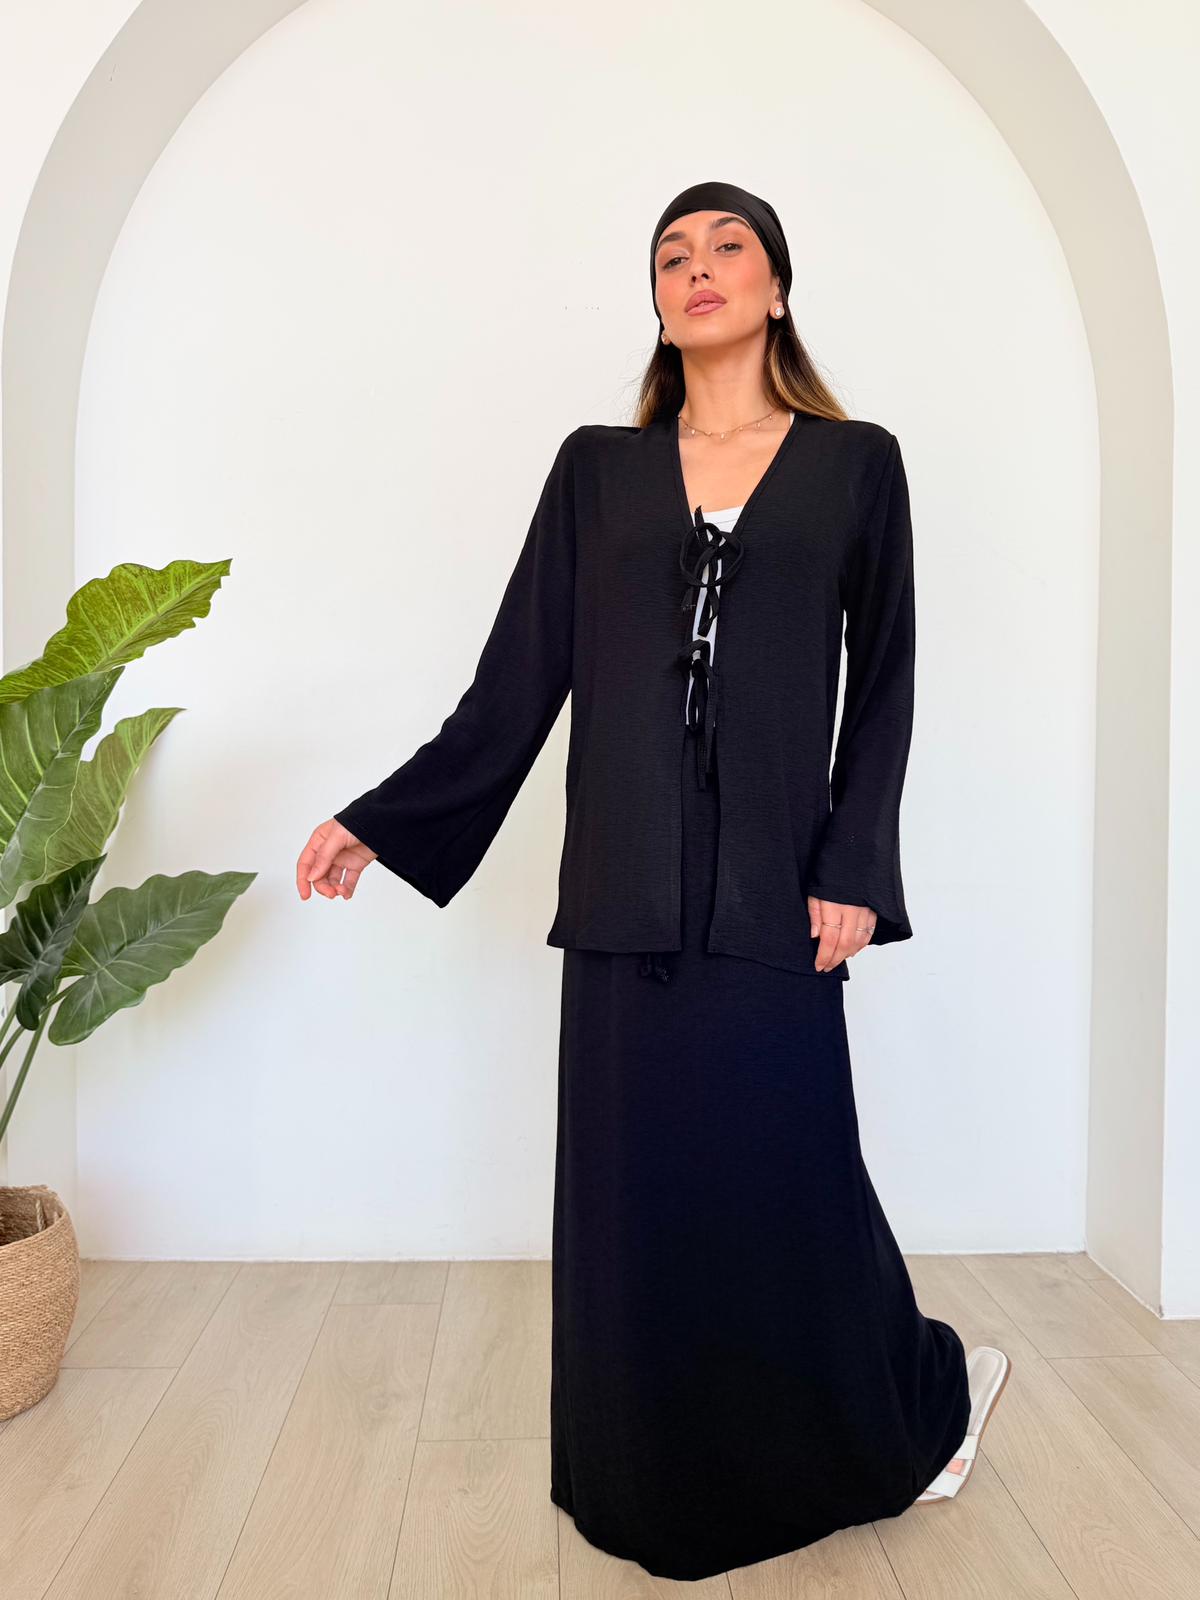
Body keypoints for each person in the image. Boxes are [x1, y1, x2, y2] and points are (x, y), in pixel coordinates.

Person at [296, 180, 1011, 1583]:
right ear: (659, 301)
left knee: (791, 1178)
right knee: (642, 1200)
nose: (699, 268)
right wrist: (386, 821)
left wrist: (854, 867)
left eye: (728, 247)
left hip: (776, 889)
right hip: (625, 891)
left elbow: (887, 684)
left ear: (777, 288)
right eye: (673, 255)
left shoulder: (857, 465)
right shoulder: (596, 473)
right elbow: (517, 681)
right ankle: (653, 1481)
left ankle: (895, 1411)